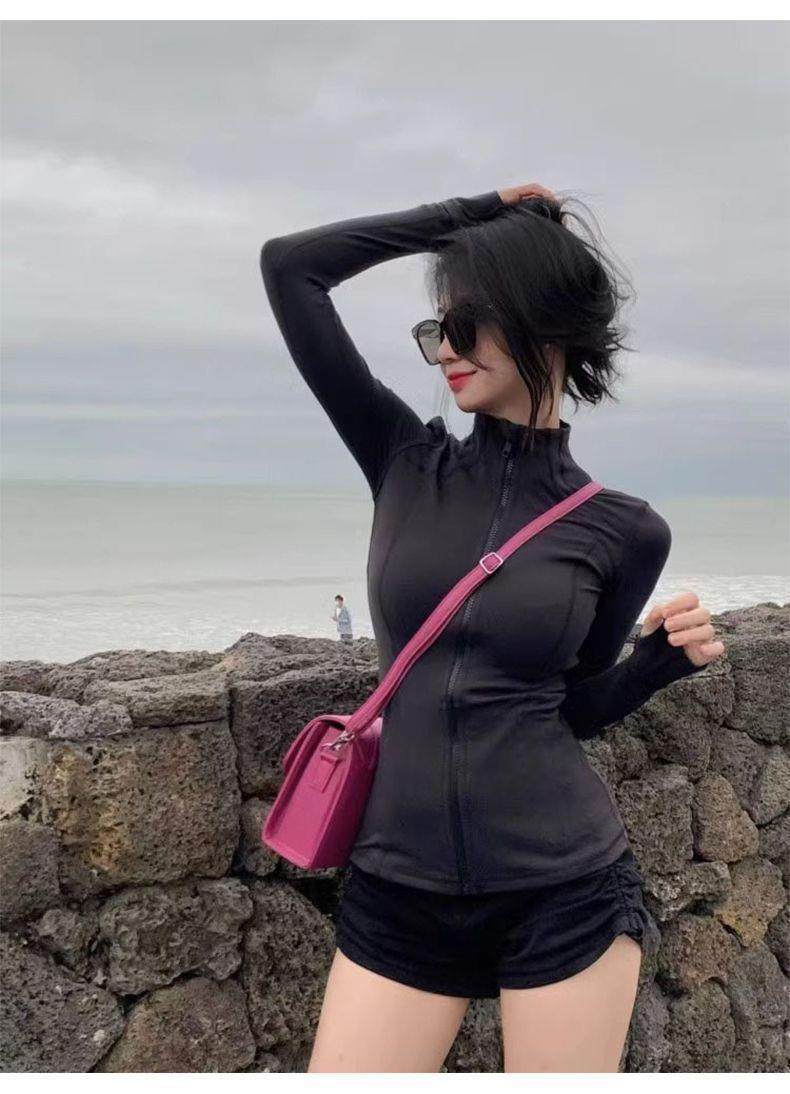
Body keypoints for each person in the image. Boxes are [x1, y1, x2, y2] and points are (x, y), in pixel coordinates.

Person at [259, 182, 725, 1073]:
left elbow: (572, 708)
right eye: (436, 330)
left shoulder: (625, 530)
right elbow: (292, 269)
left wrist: (654, 665)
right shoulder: (404, 459)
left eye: (466, 324)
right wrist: (465, 219)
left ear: (540, 322)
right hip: (398, 886)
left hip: (566, 889)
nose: (445, 350)